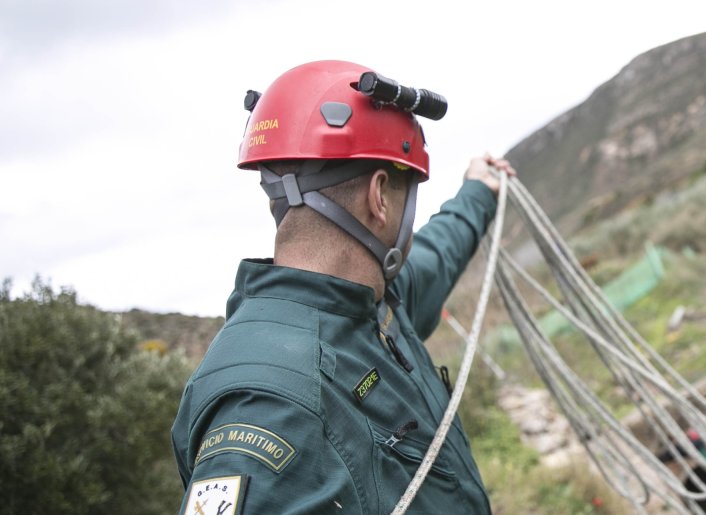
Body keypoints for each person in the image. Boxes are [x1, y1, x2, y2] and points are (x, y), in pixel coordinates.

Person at [171, 60, 513, 515]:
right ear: (379, 198)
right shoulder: (266, 404)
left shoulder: (370, 305)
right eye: (408, 194)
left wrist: (477, 192)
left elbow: (436, 254)